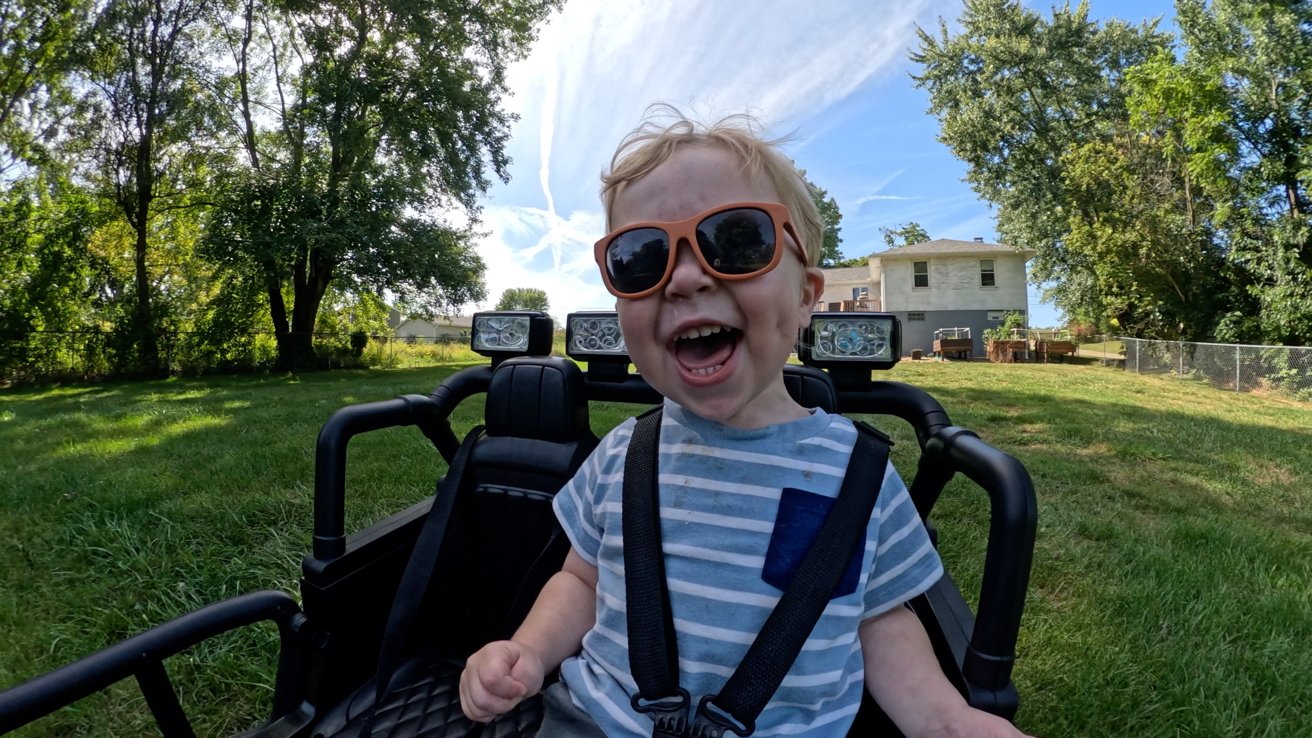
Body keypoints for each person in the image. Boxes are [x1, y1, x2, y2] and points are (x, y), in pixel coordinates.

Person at [459, 109, 1034, 738]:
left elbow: (879, 622)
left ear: (808, 294)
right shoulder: (621, 455)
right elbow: (580, 579)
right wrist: (530, 652)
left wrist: (947, 718)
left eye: (737, 242)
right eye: (640, 257)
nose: (682, 277)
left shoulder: (860, 478)